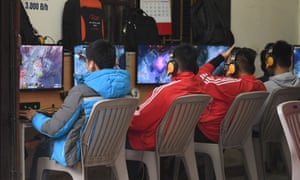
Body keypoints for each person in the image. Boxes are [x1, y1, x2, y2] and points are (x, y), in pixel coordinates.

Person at [19, 39, 131, 180]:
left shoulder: (80, 92)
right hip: (111, 151)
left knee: (43, 146)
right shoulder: (126, 91)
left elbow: (54, 129)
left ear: (91, 65)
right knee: (47, 137)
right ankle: (34, 142)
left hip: (77, 153)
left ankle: (33, 146)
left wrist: (35, 117)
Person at [126, 43, 203, 179]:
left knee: (122, 134)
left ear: (172, 65)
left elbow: (138, 121)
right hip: (177, 142)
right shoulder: (199, 88)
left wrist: (124, 117)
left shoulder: (165, 91)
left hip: (152, 142)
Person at [195, 46, 266, 143]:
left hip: (211, 134)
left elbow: (200, 76)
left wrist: (221, 57)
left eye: (227, 64)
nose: (226, 67)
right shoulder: (260, 86)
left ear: (233, 67)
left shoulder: (229, 85)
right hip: (236, 134)